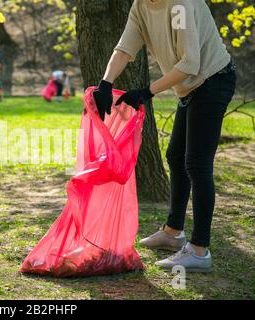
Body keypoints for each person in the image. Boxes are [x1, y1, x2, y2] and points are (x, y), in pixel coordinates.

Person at [93, 0, 237, 272]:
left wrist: (147, 91)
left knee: (197, 164)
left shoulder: (179, 5)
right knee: (175, 156)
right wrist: (105, 83)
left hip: (214, 80)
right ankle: (173, 233)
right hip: (190, 88)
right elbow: (124, 49)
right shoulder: (142, 5)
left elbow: (190, 63)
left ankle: (199, 250)